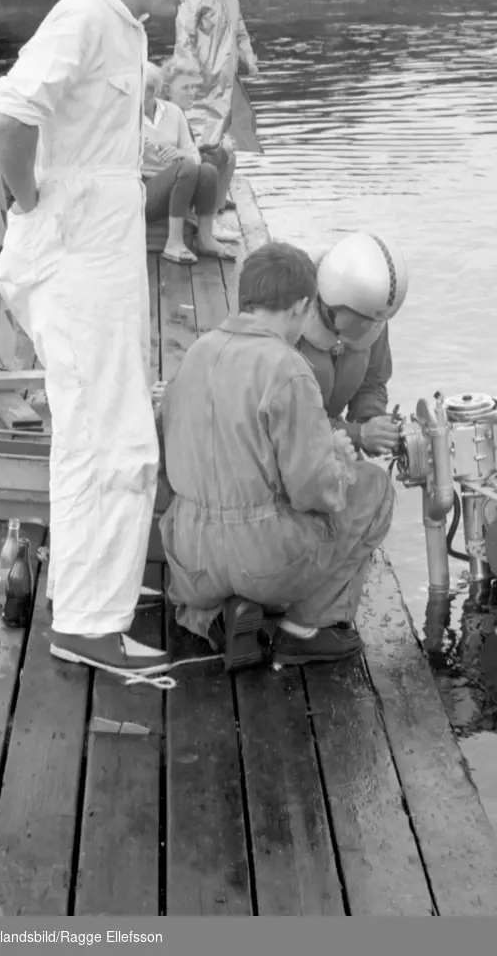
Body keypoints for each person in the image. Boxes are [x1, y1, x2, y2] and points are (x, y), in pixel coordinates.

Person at [0, 0, 206, 677]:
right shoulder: (83, 17)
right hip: (75, 263)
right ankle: (85, 624)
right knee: (102, 437)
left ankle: (96, 599)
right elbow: (10, 113)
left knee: (115, 432)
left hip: (102, 262)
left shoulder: (124, 28)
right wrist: (29, 201)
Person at [159, 241, 395, 668]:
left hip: (190, 562)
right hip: (261, 563)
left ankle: (212, 616)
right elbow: (313, 491)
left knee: (219, 524)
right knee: (374, 489)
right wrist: (339, 461)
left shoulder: (193, 355)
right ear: (300, 307)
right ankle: (306, 628)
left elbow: (168, 460)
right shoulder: (287, 368)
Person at [298, 232, 409, 458]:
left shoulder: (373, 321)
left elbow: (373, 383)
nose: (367, 331)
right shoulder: (291, 323)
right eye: (359, 321)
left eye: (375, 323)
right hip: (292, 442)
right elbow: (291, 420)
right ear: (331, 300)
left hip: (335, 435)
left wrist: (373, 422)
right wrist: (358, 434)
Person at [173, 0, 258, 225]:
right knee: (202, 143)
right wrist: (189, 77)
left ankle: (218, 199)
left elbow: (241, 33)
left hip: (225, 84)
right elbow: (184, 40)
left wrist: (250, 58)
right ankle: (196, 207)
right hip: (201, 85)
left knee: (226, 142)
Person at [142, 61, 235, 264]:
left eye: (148, 89)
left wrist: (178, 153)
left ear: (154, 89)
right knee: (188, 168)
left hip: (180, 180)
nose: (144, 94)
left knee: (207, 170)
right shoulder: (126, 119)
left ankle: (205, 238)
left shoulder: (173, 112)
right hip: (144, 189)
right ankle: (173, 243)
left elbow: (194, 156)